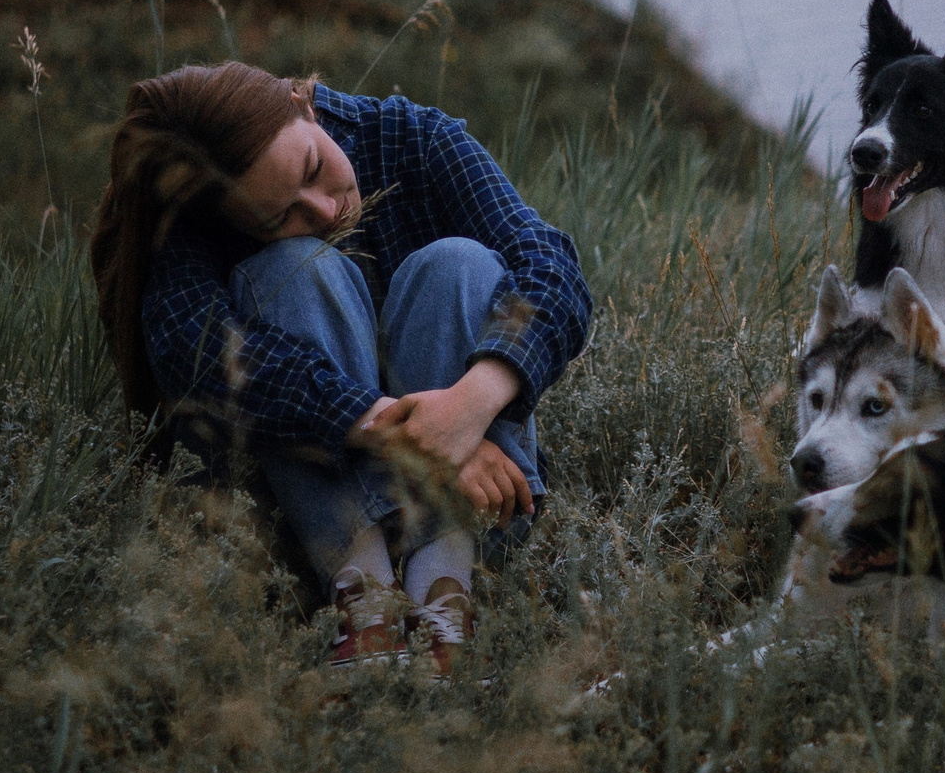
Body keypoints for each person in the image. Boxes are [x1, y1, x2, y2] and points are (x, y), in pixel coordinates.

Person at [90, 62, 590, 674]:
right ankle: (366, 613)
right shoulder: (201, 213)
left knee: (458, 264)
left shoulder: (413, 137)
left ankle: (446, 606)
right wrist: (396, 427)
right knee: (293, 271)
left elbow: (553, 270)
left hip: (477, 512)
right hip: (312, 536)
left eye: (311, 168)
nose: (325, 210)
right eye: (278, 218)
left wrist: (469, 406)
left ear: (303, 103)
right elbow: (190, 351)